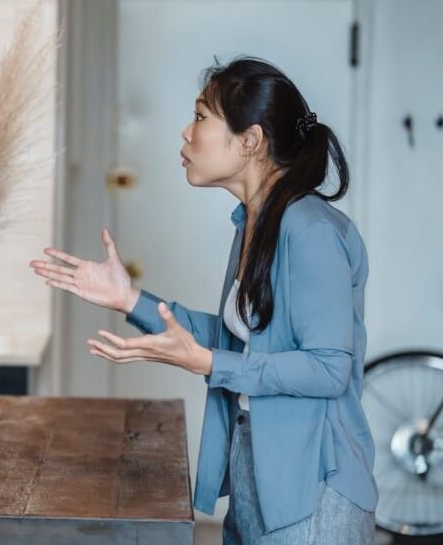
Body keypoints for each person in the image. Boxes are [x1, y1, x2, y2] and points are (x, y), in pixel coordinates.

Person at [32, 57, 377, 544]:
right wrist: (130, 299)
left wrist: (210, 363)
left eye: (200, 117)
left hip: (314, 489)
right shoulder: (255, 222)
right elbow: (242, 343)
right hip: (258, 473)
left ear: (250, 140)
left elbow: (327, 368)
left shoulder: (311, 230)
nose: (185, 133)